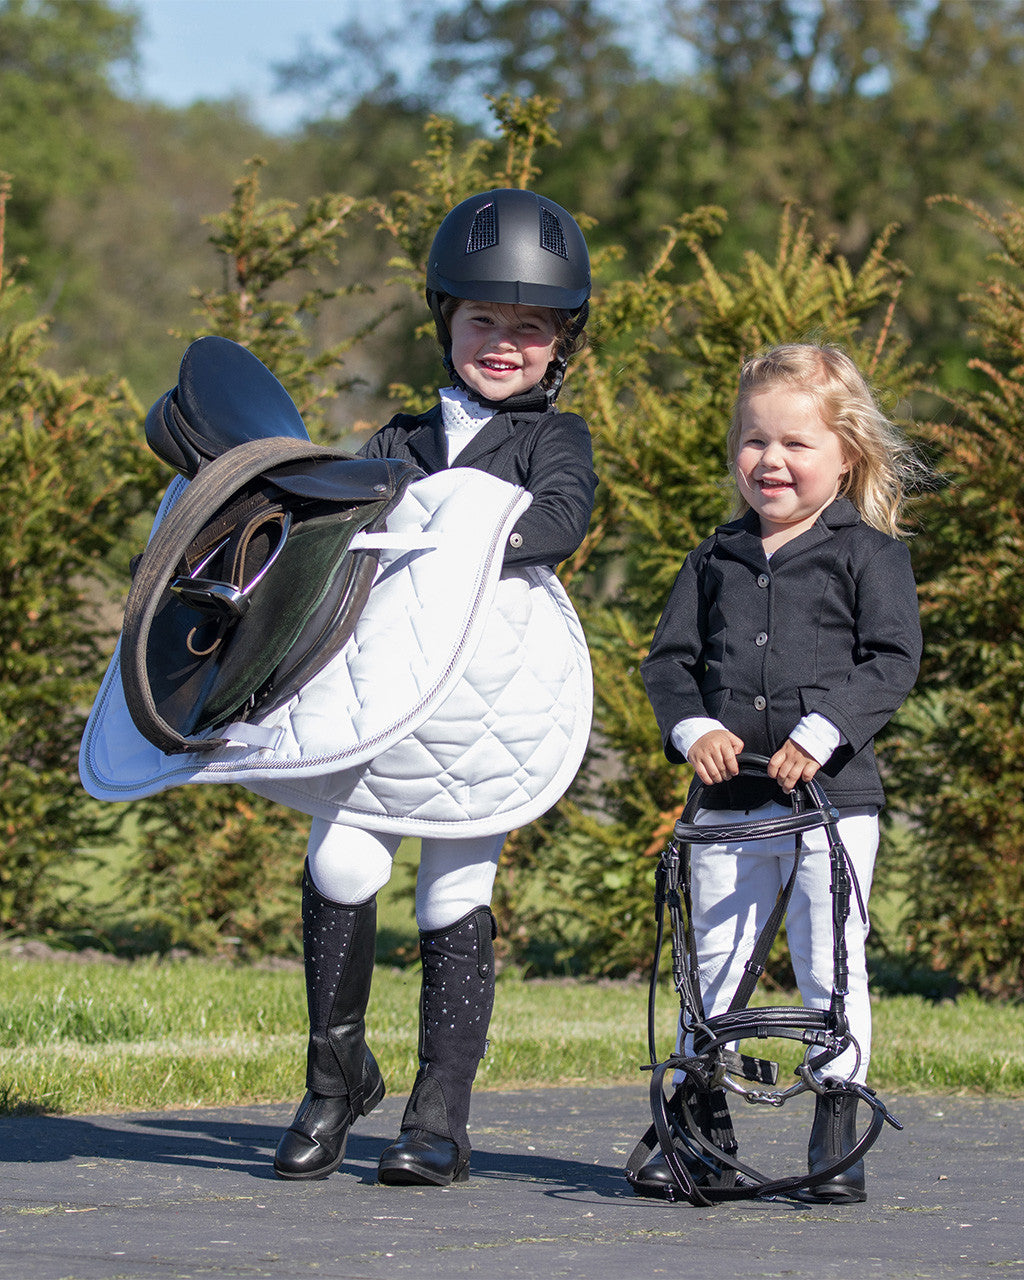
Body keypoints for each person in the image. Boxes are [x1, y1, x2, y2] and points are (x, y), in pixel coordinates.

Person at [272, 189, 596, 1187]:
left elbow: (559, 522)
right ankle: (334, 1079)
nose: (503, 343)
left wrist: (449, 526)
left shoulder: (556, 441)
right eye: (483, 319)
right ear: (446, 320)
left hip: (480, 708)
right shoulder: (396, 439)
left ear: (561, 342)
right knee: (338, 864)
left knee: (454, 889)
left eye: (528, 328)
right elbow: (337, 527)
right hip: (384, 697)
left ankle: (438, 1115)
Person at [634, 343, 923, 1203]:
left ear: (848, 454)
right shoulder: (713, 556)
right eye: (755, 440)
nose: (772, 460)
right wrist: (693, 728)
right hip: (728, 804)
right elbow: (669, 663)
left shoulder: (869, 554)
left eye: (797, 443)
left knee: (830, 960)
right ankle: (696, 1124)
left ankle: (837, 1119)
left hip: (833, 804)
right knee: (712, 963)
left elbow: (892, 659)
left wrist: (824, 730)